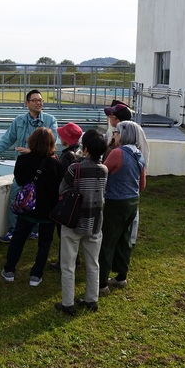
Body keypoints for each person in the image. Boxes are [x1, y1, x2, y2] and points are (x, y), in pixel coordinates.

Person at [0, 89, 58, 244]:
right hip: (24, 168)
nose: (39, 103)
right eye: (35, 100)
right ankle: (13, 231)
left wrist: (31, 151)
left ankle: (34, 231)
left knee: (40, 198)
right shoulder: (19, 121)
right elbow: (7, 139)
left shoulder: (50, 120)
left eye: (41, 100)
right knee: (16, 196)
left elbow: (53, 145)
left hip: (42, 169)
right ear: (27, 103)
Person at [0, 127, 63, 287]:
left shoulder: (23, 160)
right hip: (48, 210)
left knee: (18, 239)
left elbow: (20, 181)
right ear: (51, 143)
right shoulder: (56, 164)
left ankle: (9, 270)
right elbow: (60, 187)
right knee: (44, 243)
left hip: (27, 207)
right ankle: (36, 275)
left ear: (32, 141)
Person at [55, 129, 108, 316]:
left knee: (68, 264)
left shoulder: (75, 168)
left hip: (73, 221)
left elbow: (62, 188)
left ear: (84, 148)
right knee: (93, 263)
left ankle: (68, 302)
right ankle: (91, 299)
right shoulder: (104, 169)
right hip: (95, 222)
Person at [98, 121, 147, 297]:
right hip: (133, 201)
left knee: (107, 241)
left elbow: (101, 172)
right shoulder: (139, 154)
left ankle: (102, 282)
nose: (114, 136)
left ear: (124, 134)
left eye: (116, 133)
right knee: (124, 239)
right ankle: (121, 276)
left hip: (116, 202)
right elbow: (142, 184)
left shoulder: (117, 153)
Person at [104, 100, 150, 247]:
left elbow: (143, 153)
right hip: (123, 174)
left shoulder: (132, 131)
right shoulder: (113, 131)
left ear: (117, 119)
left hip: (129, 173)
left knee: (130, 210)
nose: (109, 119)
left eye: (111, 116)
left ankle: (130, 239)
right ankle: (124, 239)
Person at [48, 122, 83, 270]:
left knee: (63, 232)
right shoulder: (79, 152)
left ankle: (65, 261)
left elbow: (62, 177)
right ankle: (75, 259)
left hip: (65, 198)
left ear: (66, 140)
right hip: (76, 197)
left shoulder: (67, 156)